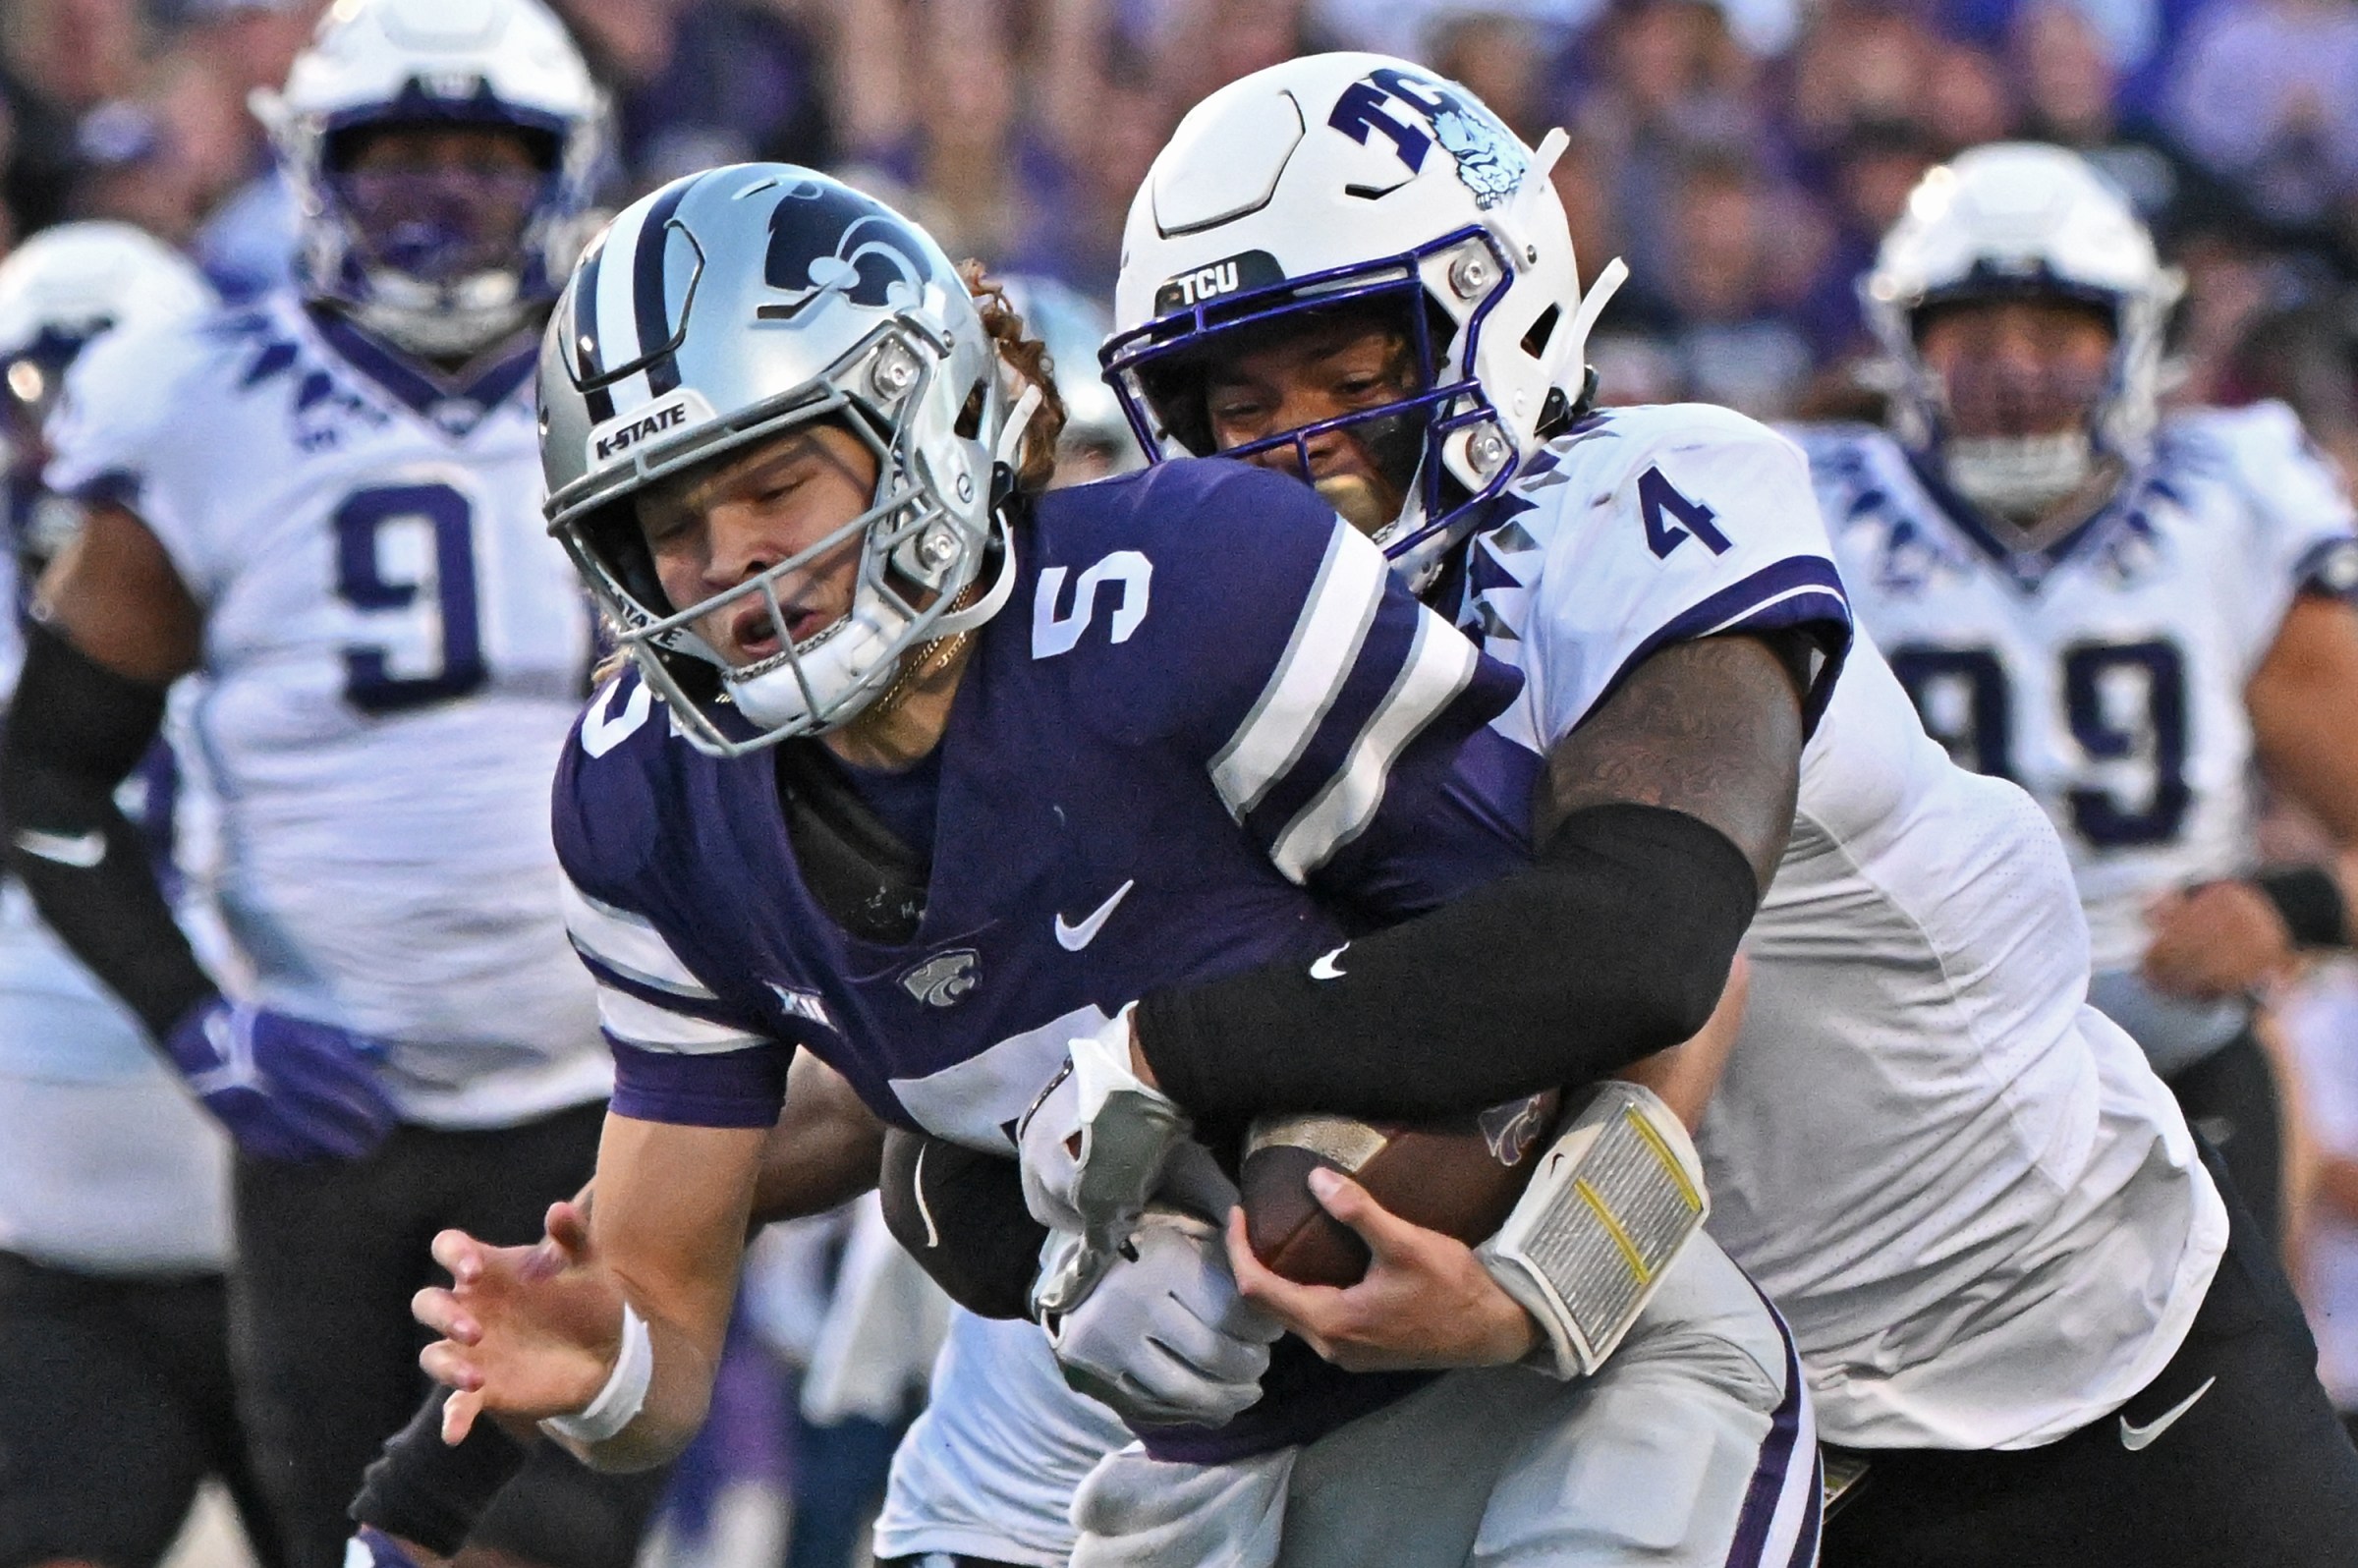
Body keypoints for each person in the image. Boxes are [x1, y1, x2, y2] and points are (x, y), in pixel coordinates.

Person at [1041, 51, 2358, 1566]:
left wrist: (1178, 1063)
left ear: (1500, 310)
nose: (1299, 446)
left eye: (1356, 377)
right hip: (1735, 1403)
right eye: (1240, 401)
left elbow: (1651, 949)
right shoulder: (1226, 674)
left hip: (2069, 1324)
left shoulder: (1645, 500)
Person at [414, 161, 1821, 1568]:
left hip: (1573, 1398)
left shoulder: (1188, 591)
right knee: (943, 1197)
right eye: (665, 527)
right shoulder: (649, 798)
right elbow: (671, 1318)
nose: (730, 566)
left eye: (775, 483)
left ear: (927, 426)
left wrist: (1531, 1291)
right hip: (1209, 1468)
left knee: (1264, 1206)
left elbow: (1639, 973)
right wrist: (602, 1371)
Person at [0, 4, 669, 1567]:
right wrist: (194, 1015)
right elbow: (44, 777)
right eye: (398, 161)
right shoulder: (191, 399)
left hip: (604, 1108)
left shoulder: (648, 398)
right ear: (315, 174)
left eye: (483, 163)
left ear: (563, 174)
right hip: (327, 1144)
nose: (440, 201)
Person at [1799, 142, 2358, 1249]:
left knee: (2250, 1409)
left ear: (2132, 338)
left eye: (2055, 333)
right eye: (1973, 332)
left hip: (2166, 1041)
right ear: (1908, 342)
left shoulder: (2232, 502)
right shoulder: (1802, 505)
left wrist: (2283, 908)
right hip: (1880, 1071)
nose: (2014, 370)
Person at [0, 221, 287, 1568]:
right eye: (40, 399)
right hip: (45, 1236)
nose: (71, 447)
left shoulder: (292, 571)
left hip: (305, 1212)